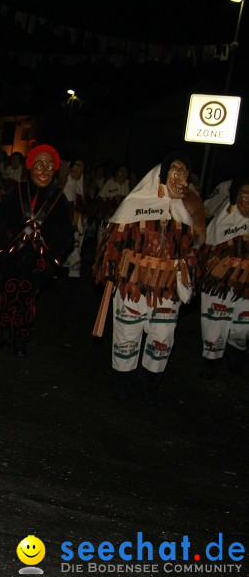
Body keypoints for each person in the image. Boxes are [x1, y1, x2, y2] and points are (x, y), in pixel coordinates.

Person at [92, 152, 205, 406]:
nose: (183, 181)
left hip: (167, 289)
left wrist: (187, 275)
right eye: (177, 173)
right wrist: (112, 270)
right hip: (134, 285)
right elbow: (111, 246)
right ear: (162, 177)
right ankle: (123, 382)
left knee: (162, 336)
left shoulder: (185, 212)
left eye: (186, 175)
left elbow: (192, 252)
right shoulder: (134, 205)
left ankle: (149, 382)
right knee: (127, 335)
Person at [0, 144, 74, 357]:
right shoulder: (15, 192)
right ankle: (5, 331)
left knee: (27, 296)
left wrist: (50, 250)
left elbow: (65, 232)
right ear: (30, 168)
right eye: (39, 165)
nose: (44, 170)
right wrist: (9, 238)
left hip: (39, 258)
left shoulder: (59, 198)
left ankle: (21, 336)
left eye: (49, 166)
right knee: (8, 291)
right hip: (13, 253)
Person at [197, 176, 249, 380]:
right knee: (214, 322)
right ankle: (211, 363)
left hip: (245, 284)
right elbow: (206, 247)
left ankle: (236, 355)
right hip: (219, 282)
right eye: (244, 195)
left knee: (243, 326)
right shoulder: (223, 219)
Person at [62, 158, 87, 277]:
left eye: (79, 165)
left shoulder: (85, 182)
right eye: (74, 165)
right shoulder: (64, 178)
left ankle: (73, 271)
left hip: (78, 216)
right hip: (64, 214)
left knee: (76, 241)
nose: (76, 168)